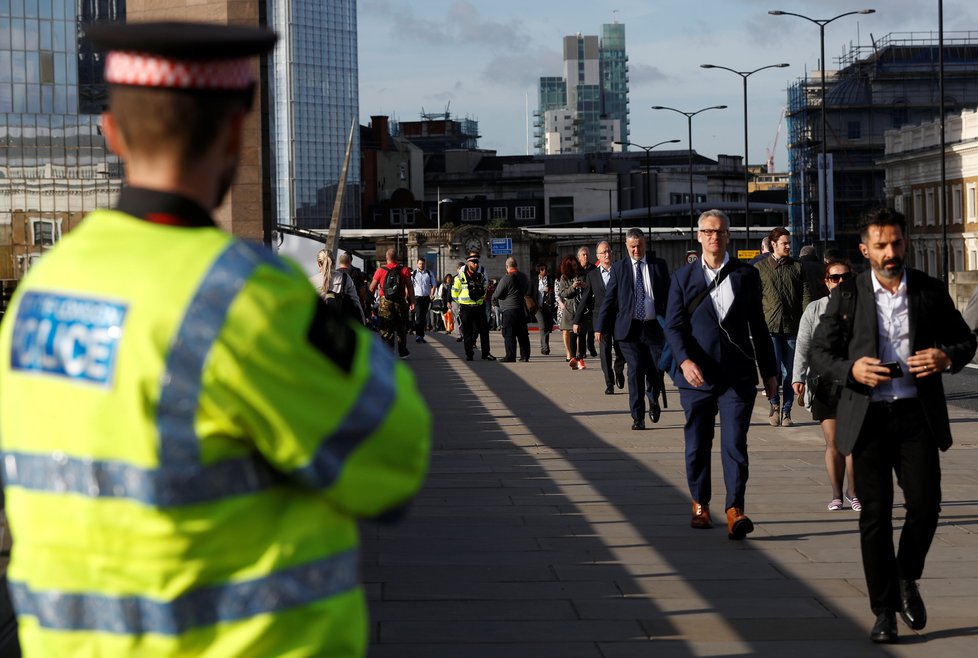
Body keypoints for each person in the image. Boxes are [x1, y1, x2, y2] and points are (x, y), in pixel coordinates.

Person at [0, 22, 431, 657]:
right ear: (234, 135)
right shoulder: (243, 298)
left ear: (112, 133)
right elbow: (392, 459)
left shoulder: (40, 292)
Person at [810, 206, 976, 644]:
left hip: (915, 415)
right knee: (876, 516)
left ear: (905, 243)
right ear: (865, 250)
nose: (890, 252)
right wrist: (852, 370)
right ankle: (883, 611)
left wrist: (946, 357)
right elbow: (819, 354)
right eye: (880, 245)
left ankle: (907, 576)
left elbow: (965, 339)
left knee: (926, 504)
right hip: (867, 420)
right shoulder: (848, 295)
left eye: (896, 243)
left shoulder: (929, 291)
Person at [664, 210, 777, 540]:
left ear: (728, 236)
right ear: (698, 236)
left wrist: (769, 371)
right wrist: (684, 361)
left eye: (720, 232)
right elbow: (673, 325)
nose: (714, 236)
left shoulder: (746, 275)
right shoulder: (683, 278)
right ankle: (700, 504)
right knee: (697, 443)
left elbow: (759, 325)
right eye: (708, 231)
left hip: (737, 376)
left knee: (735, 444)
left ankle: (734, 509)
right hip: (696, 376)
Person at [792, 260, 858, 511]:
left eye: (845, 278)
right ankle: (836, 494)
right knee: (832, 442)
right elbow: (803, 344)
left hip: (854, 381)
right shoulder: (814, 309)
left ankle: (854, 492)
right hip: (823, 382)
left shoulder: (863, 308)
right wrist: (797, 377)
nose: (840, 282)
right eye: (834, 278)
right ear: (826, 281)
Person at [596, 229, 670, 430]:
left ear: (645, 244)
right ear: (627, 246)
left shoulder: (659, 266)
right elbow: (609, 299)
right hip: (628, 331)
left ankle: (653, 398)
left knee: (656, 369)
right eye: (632, 247)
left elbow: (670, 297)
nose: (637, 250)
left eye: (640, 246)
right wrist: (600, 327)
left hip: (654, 328)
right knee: (635, 369)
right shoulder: (619, 268)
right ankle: (638, 417)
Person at [754, 227, 812, 427]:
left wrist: (807, 320)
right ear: (773, 244)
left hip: (792, 327)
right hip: (769, 327)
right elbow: (754, 299)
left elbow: (806, 295)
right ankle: (774, 405)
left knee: (790, 372)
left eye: (789, 243)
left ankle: (786, 411)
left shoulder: (798, 267)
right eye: (784, 243)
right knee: (773, 370)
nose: (788, 246)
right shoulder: (760, 268)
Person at [577, 241, 625, 395]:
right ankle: (609, 383)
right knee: (604, 353)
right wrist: (576, 320)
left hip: (618, 318)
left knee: (621, 349)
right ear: (598, 256)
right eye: (603, 252)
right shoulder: (592, 275)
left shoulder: (620, 270)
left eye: (609, 251)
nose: (607, 254)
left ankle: (618, 371)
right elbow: (585, 298)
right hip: (600, 320)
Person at [369, 248, 415, 358]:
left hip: (385, 301)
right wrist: (412, 301)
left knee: (386, 328)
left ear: (386, 258)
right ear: (397, 258)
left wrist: (368, 300)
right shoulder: (404, 270)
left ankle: (388, 353)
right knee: (401, 327)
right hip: (400, 301)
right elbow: (410, 286)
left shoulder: (380, 270)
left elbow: (372, 287)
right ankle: (402, 351)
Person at [452, 253, 496, 361]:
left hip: (479, 307)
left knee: (484, 330)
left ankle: (485, 353)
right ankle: (469, 353)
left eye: (477, 262)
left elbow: (485, 288)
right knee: (468, 332)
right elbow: (454, 294)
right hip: (466, 308)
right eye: (474, 262)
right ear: (468, 263)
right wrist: (462, 303)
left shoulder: (481, 275)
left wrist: (481, 300)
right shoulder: (460, 277)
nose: (476, 265)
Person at [492, 257, 531, 362]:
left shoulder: (506, 278)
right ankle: (525, 356)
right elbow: (527, 289)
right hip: (520, 309)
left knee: (509, 333)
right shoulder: (524, 277)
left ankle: (510, 355)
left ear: (507, 266)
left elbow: (497, 293)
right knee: (522, 333)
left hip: (509, 310)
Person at [313, 249, 365, 326]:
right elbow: (356, 303)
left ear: (318, 263)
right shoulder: (345, 278)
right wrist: (363, 323)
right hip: (340, 328)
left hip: (319, 327)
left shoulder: (311, 281)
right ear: (334, 262)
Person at [556, 255, 586, 368]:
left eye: (575, 265)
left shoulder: (583, 274)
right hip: (570, 308)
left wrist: (584, 285)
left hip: (582, 307)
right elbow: (562, 293)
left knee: (582, 333)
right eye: (572, 266)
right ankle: (573, 358)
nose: (575, 267)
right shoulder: (564, 278)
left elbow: (589, 288)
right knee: (572, 333)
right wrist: (573, 287)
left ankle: (581, 358)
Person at [577, 245, 598, 357]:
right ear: (579, 257)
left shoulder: (593, 268)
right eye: (583, 255)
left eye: (587, 255)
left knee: (591, 328)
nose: (585, 257)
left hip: (591, 301)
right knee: (581, 329)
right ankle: (582, 351)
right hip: (579, 301)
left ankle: (591, 346)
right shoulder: (577, 269)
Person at [410, 257, 436, 343]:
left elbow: (434, 285)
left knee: (424, 317)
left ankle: (421, 335)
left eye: (423, 263)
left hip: (426, 298)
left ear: (425, 264)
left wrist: (432, 294)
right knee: (418, 316)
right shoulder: (413, 274)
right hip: (417, 298)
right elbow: (409, 286)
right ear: (417, 264)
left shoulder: (429, 273)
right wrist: (409, 297)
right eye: (420, 263)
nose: (421, 265)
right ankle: (418, 335)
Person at [535, 263, 555, 355]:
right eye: (542, 269)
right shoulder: (534, 280)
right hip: (537, 307)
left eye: (545, 269)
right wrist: (542, 289)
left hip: (548, 306)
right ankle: (545, 348)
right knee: (543, 326)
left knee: (547, 328)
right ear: (538, 271)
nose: (544, 271)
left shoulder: (551, 280)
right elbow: (531, 292)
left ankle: (544, 346)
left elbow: (555, 290)